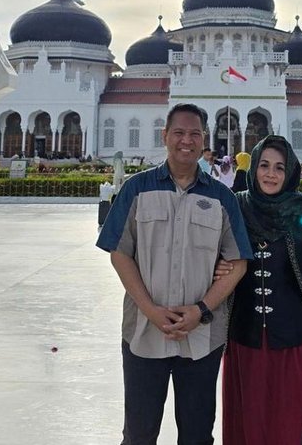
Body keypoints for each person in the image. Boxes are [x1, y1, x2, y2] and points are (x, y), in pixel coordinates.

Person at [96, 103, 253, 445]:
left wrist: (201, 310)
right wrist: (150, 310)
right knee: (139, 433)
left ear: (203, 140)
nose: (187, 140)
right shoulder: (137, 189)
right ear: (165, 136)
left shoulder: (222, 197)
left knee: (197, 435)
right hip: (143, 333)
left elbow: (238, 262)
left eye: (195, 133)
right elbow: (119, 252)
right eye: (179, 133)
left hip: (202, 338)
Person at [218, 135, 302, 445]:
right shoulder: (237, 207)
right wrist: (218, 267)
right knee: (249, 427)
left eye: (279, 168)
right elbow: (216, 255)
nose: (271, 174)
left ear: (290, 173)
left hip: (297, 346)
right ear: (254, 168)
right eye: (264, 166)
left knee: (288, 429)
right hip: (245, 343)